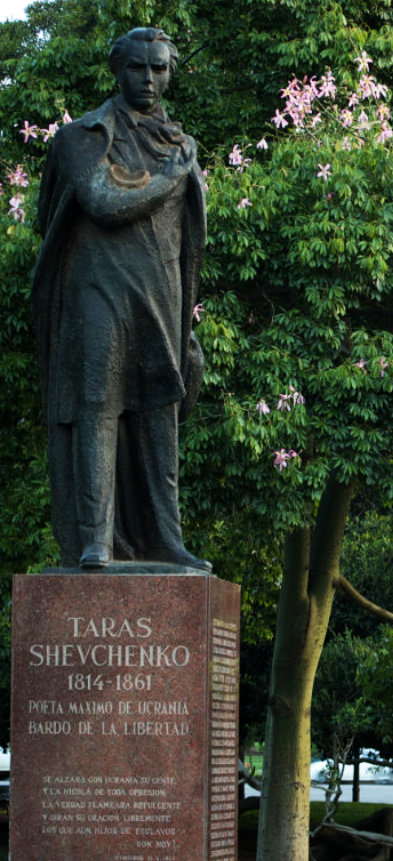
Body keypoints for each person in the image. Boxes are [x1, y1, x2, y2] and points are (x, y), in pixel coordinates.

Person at [31, 27, 211, 571]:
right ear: (118, 69)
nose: (150, 79)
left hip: (159, 293)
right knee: (96, 405)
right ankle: (94, 539)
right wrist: (169, 178)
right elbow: (103, 201)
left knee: (159, 411)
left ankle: (165, 538)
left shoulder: (178, 144)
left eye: (159, 68)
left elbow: (189, 241)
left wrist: (185, 322)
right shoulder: (83, 136)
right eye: (138, 67)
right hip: (97, 289)